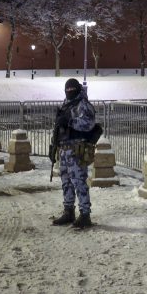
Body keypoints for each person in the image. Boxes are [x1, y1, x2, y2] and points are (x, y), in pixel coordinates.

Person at [51, 78, 97, 228]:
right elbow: (59, 127)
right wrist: (53, 145)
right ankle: (68, 211)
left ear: (76, 89)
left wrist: (70, 122)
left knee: (79, 182)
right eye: (67, 90)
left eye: (71, 90)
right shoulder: (66, 104)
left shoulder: (83, 104)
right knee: (66, 183)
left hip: (76, 150)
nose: (69, 92)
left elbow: (89, 124)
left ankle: (85, 215)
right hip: (64, 149)